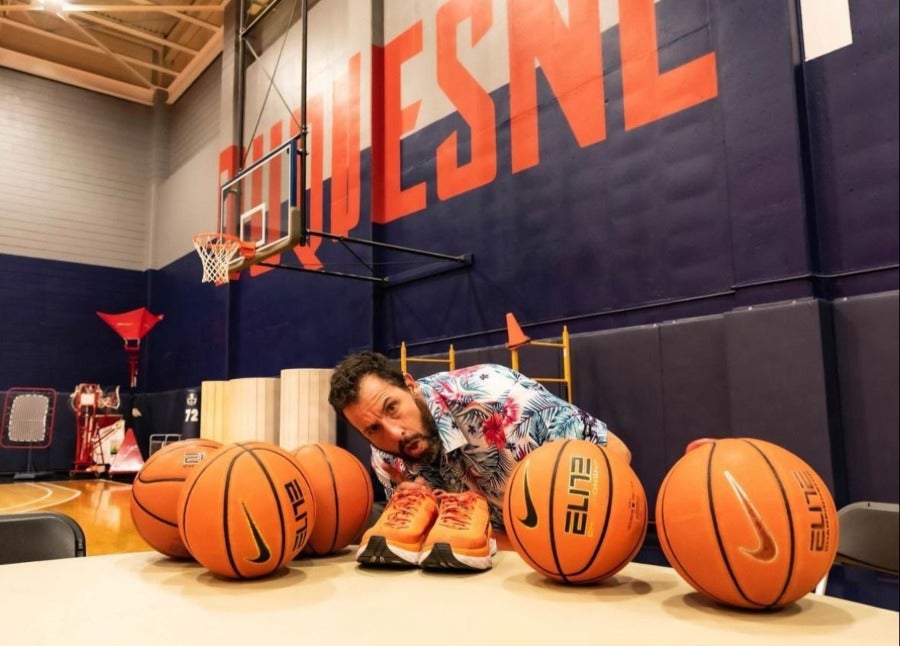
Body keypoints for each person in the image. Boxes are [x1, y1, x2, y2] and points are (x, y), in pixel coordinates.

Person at [329, 350, 631, 571]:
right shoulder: (385, 457)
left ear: (409, 384)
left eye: (392, 407)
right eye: (373, 429)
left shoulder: (500, 397)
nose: (395, 434)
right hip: (474, 575)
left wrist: (547, 535)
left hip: (563, 561)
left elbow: (615, 454)